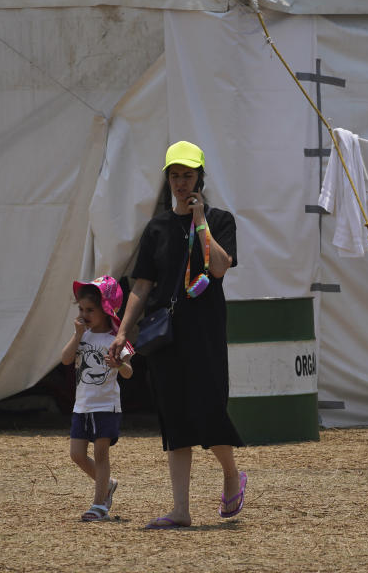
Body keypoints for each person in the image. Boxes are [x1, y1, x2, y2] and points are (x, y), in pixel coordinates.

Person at [109, 140, 246, 529]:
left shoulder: (221, 221)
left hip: (204, 333)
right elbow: (141, 286)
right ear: (167, 179)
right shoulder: (156, 228)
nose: (181, 183)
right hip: (165, 335)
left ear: (201, 177)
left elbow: (219, 268)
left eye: (188, 175)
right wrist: (122, 332)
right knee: (174, 418)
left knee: (209, 408)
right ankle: (181, 509)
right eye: (175, 176)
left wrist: (200, 222)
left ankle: (231, 473)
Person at [59, 275, 133, 522]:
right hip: (82, 406)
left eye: (90, 310)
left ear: (106, 310)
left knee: (101, 456)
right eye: (81, 309)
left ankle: (99, 505)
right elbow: (66, 359)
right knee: (77, 455)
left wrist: (119, 364)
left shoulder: (115, 340)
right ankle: (108, 485)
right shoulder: (83, 336)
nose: (84, 314)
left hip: (106, 407)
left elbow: (129, 372)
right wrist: (77, 334)